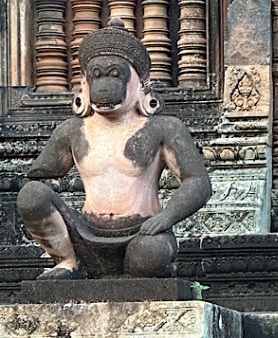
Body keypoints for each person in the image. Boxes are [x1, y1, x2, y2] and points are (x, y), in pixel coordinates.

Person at [17, 18, 212, 279]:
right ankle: (68, 262)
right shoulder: (72, 130)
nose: (105, 84)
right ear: (84, 84)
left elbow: (198, 182)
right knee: (31, 195)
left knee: (148, 256)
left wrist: (166, 218)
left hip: (143, 231)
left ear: (140, 83)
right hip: (85, 234)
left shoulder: (163, 128)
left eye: (115, 74)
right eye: (97, 75)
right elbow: (39, 176)